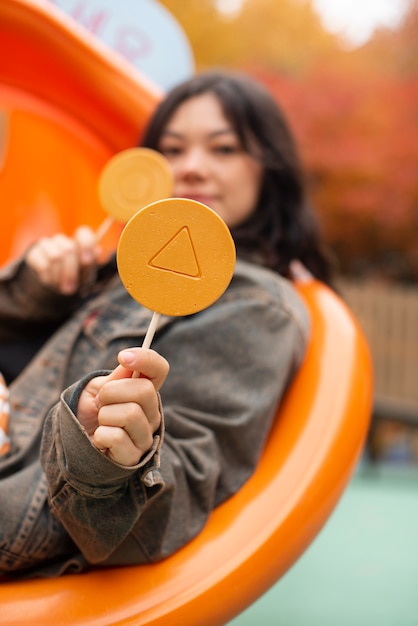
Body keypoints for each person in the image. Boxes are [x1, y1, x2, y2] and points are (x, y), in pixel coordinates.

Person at [0, 70, 333, 578]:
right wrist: (36, 289)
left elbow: (174, 493)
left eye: (223, 149)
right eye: (173, 150)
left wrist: (107, 457)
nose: (193, 169)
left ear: (270, 167)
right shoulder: (116, 270)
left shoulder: (254, 304)